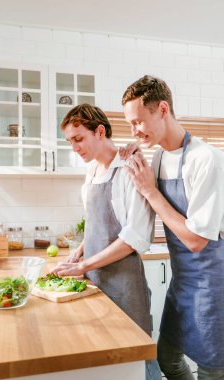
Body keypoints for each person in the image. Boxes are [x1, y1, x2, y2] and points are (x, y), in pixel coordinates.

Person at [121, 74, 224, 380]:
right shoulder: (159, 156)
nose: (135, 130)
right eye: (130, 124)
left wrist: (151, 191)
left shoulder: (206, 159)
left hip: (213, 286)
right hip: (182, 283)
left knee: (212, 372)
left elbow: (196, 240)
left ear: (162, 109)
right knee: (166, 358)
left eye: (139, 121)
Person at [50, 103, 162, 380]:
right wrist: (78, 254)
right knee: (107, 363)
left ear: (99, 131)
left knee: (138, 359)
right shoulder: (91, 172)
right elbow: (94, 225)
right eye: (70, 142)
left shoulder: (129, 169)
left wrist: (83, 264)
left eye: (79, 139)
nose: (75, 147)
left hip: (124, 285)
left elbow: (134, 238)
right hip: (95, 281)